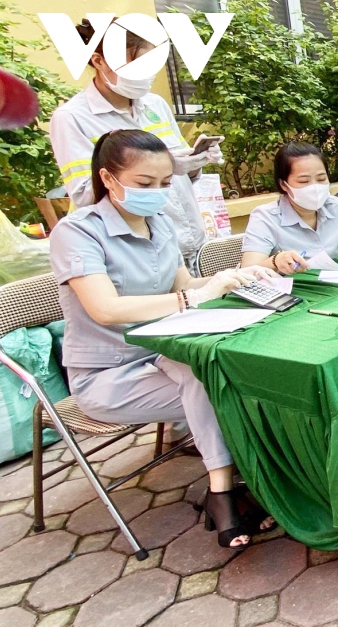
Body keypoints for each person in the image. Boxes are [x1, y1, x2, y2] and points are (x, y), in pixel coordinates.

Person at [49, 129, 277, 548]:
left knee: (223, 373)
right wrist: (194, 296)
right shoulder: (77, 231)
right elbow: (106, 309)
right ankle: (228, 491)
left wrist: (231, 280)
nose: (157, 193)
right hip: (108, 374)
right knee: (217, 385)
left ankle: (228, 487)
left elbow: (185, 285)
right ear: (109, 178)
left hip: (162, 353)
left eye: (165, 183)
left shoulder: (160, 224)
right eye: (144, 184)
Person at [50, 18, 216, 265]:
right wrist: (164, 166)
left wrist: (194, 163)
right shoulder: (72, 118)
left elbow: (177, 178)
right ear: (99, 61)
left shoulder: (156, 105)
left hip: (189, 242)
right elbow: (86, 195)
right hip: (136, 253)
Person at [239, 143, 338, 274]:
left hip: (336, 283)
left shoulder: (334, 206)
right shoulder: (265, 217)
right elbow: (249, 270)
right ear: (283, 184)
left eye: (321, 179)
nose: (315, 187)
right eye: (304, 181)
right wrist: (276, 260)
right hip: (294, 292)